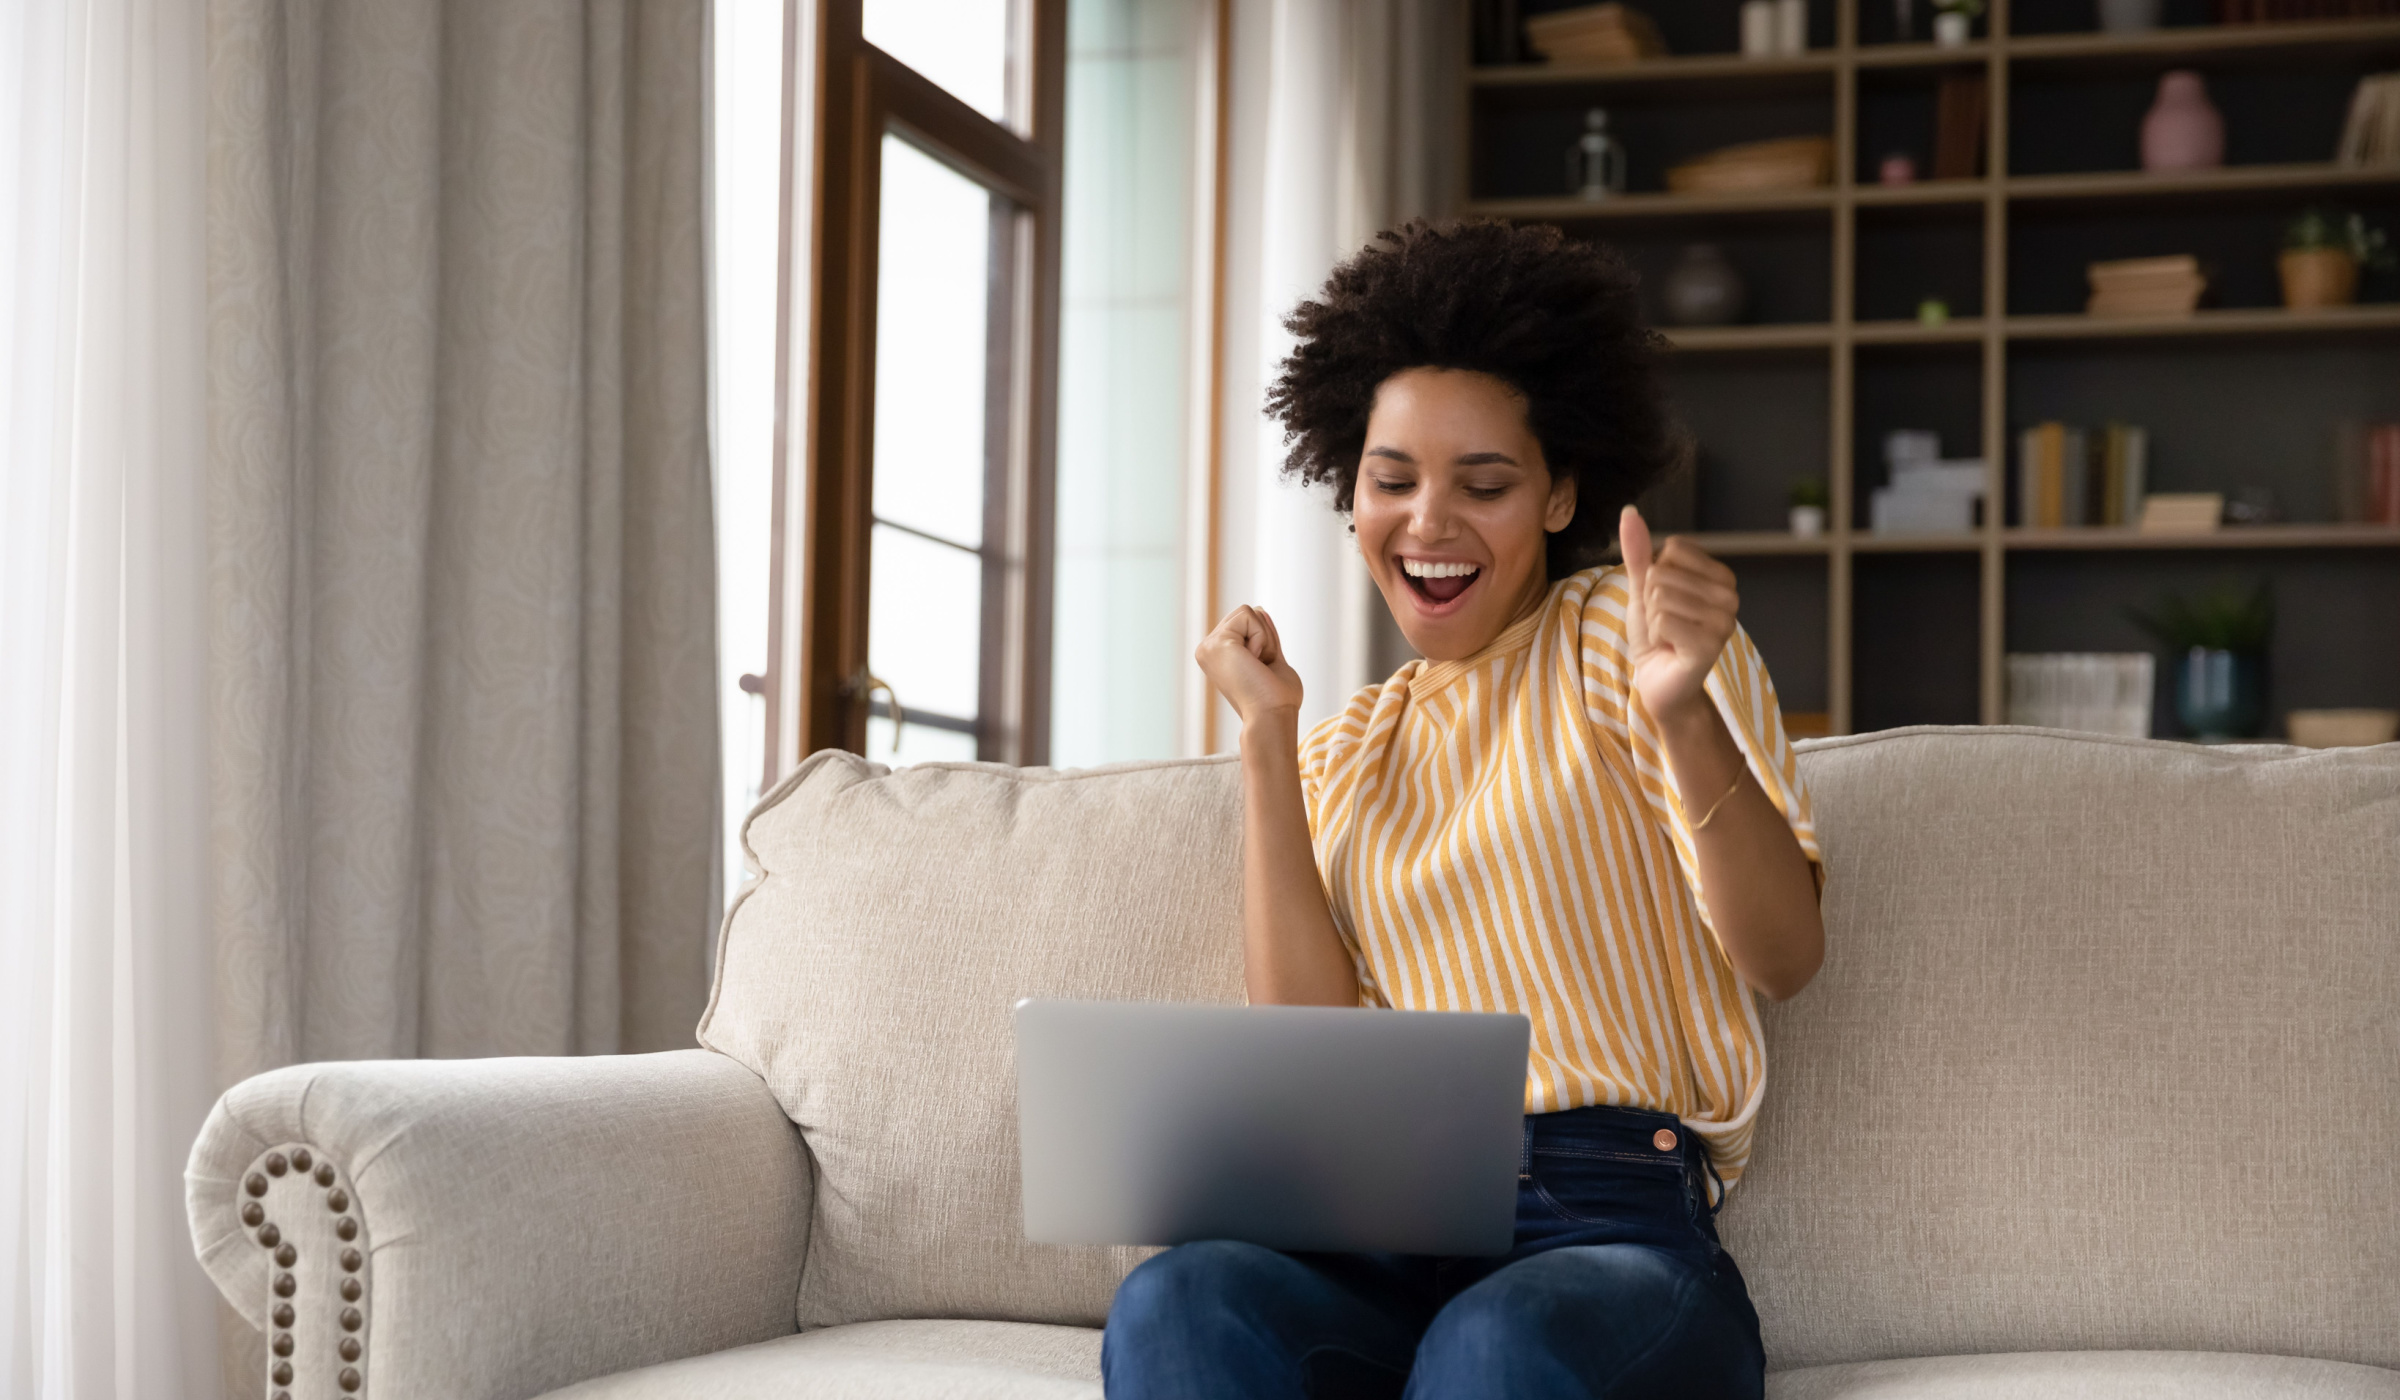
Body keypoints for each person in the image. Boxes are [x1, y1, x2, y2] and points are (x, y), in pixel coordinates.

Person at [1100, 219, 1826, 1400]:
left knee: (1491, 1345)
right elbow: (1310, 1049)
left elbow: (1785, 955)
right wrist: (1268, 744)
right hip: (1376, 1226)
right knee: (1179, 1297)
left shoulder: (1625, 641)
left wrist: (1685, 712)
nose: (1428, 521)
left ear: (1560, 494)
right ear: (1352, 494)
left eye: (1482, 483)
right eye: (1392, 481)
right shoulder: (1346, 743)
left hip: (1606, 1228)